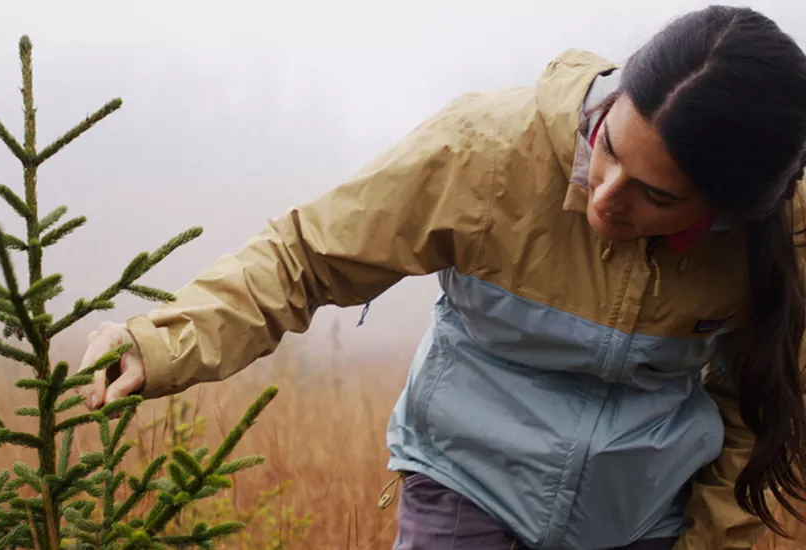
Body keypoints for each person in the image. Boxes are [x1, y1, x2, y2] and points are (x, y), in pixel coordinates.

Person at [77, 5, 806, 549]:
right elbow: (306, 256)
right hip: (467, 486)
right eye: (607, 147)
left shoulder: (779, 235)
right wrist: (163, 340)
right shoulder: (484, 150)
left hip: (644, 515)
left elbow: (758, 408)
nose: (606, 195)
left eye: (658, 195)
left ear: (730, 210)